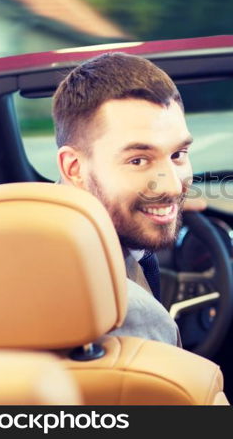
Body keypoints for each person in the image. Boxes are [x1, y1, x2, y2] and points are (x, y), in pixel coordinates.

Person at [53, 52, 193, 346]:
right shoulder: (128, 314)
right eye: (139, 160)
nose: (172, 186)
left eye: (177, 155)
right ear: (74, 168)